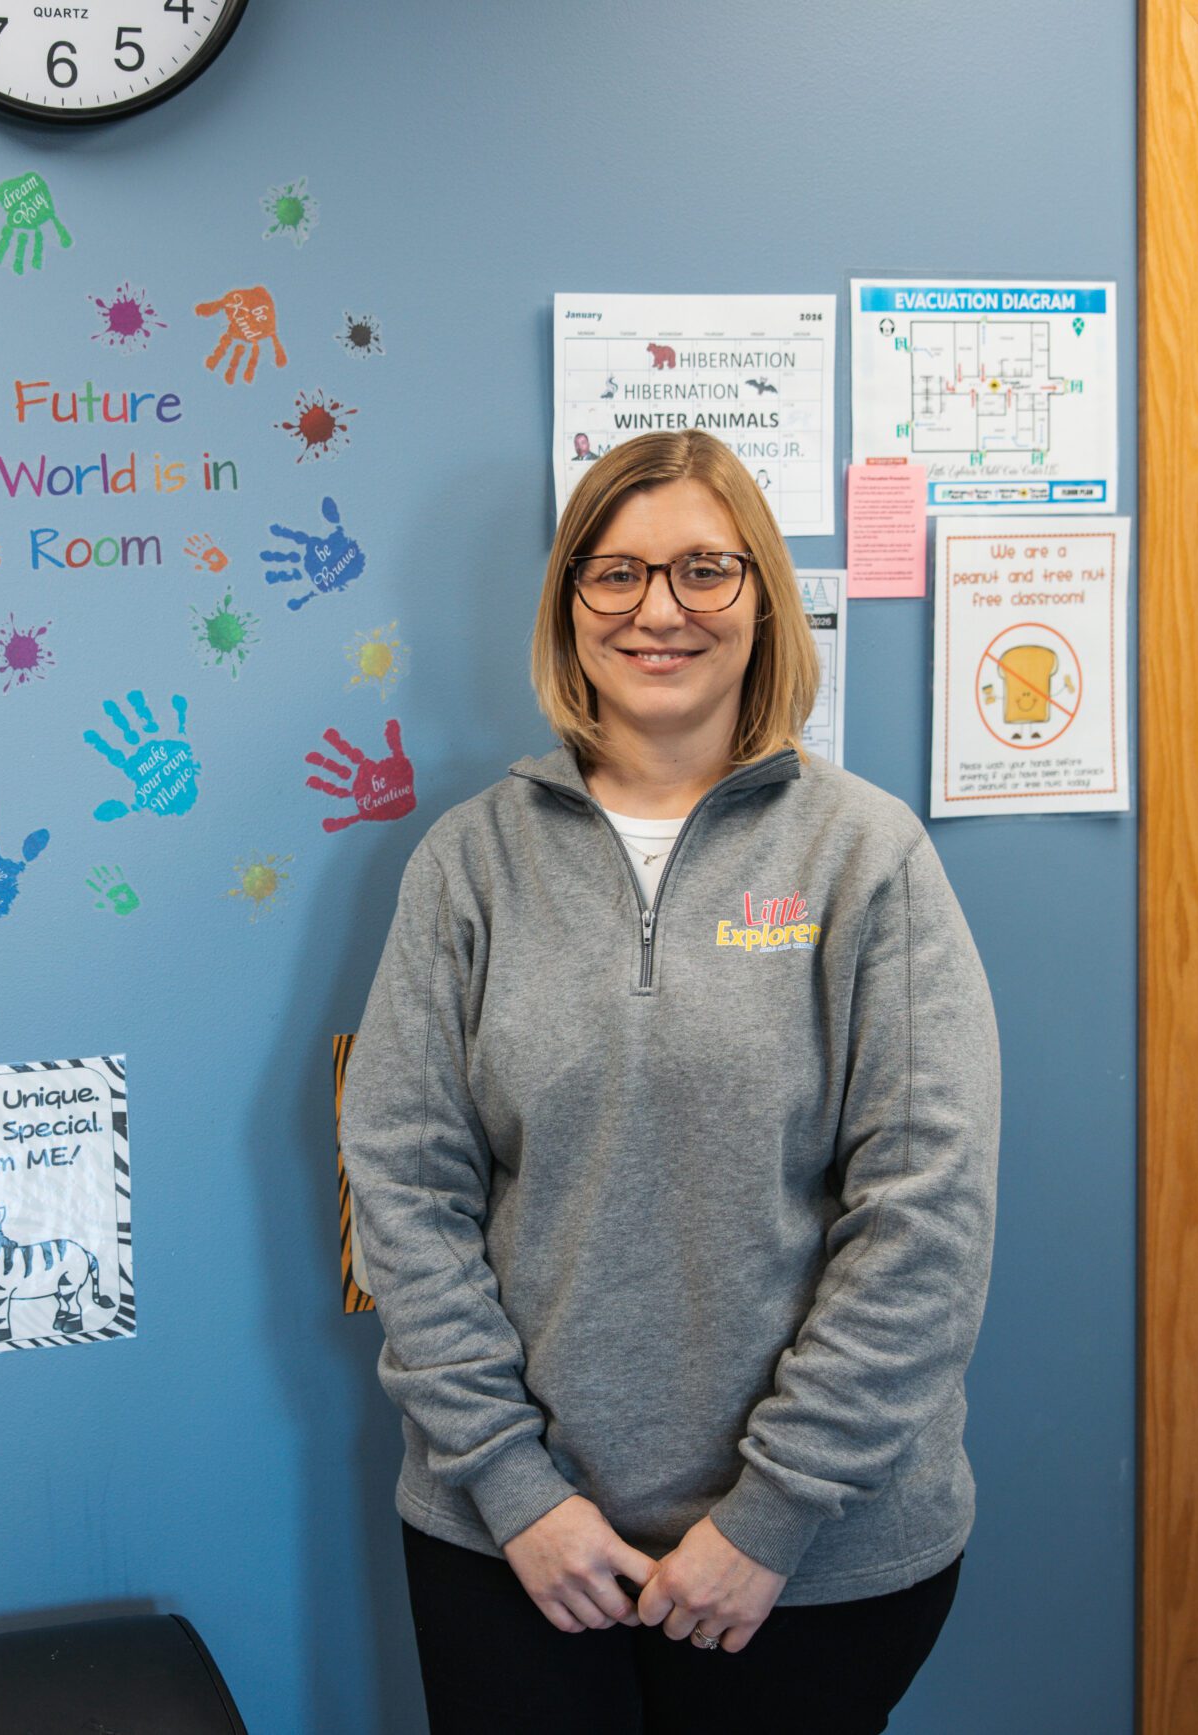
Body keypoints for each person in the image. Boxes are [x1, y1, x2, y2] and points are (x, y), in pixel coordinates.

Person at [342, 431, 1000, 1733]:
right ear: (569, 604)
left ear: (761, 597)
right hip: (513, 1552)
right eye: (618, 572)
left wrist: (771, 1516)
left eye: (705, 568)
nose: (659, 610)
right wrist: (515, 1491)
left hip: (819, 1566)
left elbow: (927, 1219)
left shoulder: (868, 858)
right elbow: (404, 1194)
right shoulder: (468, 866)